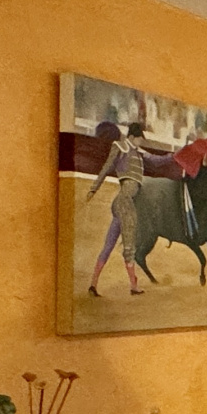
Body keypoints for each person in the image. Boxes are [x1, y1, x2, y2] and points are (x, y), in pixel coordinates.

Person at [86, 122, 152, 296]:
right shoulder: (121, 147)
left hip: (120, 203)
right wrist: (93, 188)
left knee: (109, 245)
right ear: (132, 137)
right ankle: (134, 286)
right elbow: (106, 168)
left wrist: (175, 156)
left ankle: (93, 284)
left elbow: (156, 160)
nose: (141, 142)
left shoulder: (139, 153)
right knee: (129, 247)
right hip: (126, 203)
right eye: (139, 139)